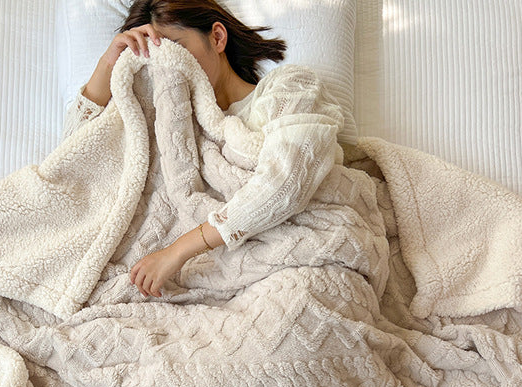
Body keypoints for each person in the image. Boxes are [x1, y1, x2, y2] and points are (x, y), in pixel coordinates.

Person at [62, 0, 345, 299]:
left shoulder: (288, 87)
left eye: (175, 48)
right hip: (198, 281)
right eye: (154, 57)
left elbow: (287, 181)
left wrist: (177, 251)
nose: (166, 66)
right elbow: (72, 158)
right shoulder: (168, 126)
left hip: (292, 254)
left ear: (218, 38)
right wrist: (108, 65)